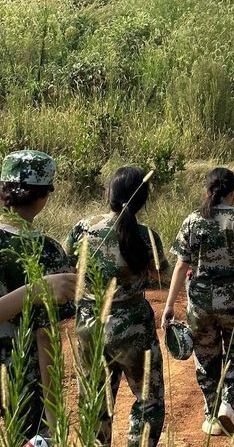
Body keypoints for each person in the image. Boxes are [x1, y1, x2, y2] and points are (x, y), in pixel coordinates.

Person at [163, 168, 234, 437]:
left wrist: (169, 305)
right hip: (233, 297)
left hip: (199, 299)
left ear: (207, 191)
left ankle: (211, 414)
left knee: (205, 355)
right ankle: (229, 402)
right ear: (233, 192)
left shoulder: (192, 220)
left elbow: (181, 266)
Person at [66, 166, 167, 447]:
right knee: (148, 400)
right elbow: (162, 278)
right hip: (134, 328)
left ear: (108, 193)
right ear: (142, 200)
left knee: (94, 401)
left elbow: (68, 270)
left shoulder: (83, 228)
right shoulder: (148, 236)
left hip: (90, 326)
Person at [0, 150, 75, 442]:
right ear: (44, 197)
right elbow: (47, 340)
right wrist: (54, 420)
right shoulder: (49, 253)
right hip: (25, 383)